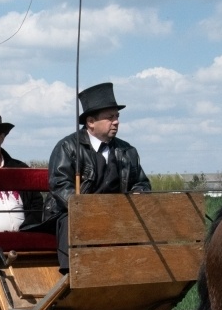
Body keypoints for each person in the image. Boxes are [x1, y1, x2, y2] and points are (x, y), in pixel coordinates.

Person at [48, 82, 151, 273]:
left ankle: (140, 271)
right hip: (74, 213)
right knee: (71, 219)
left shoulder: (127, 151)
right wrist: (87, 209)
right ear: (91, 122)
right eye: (110, 117)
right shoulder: (68, 147)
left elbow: (141, 183)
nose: (116, 121)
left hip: (116, 215)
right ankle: (71, 276)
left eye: (117, 117)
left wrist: (139, 194)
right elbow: (60, 186)